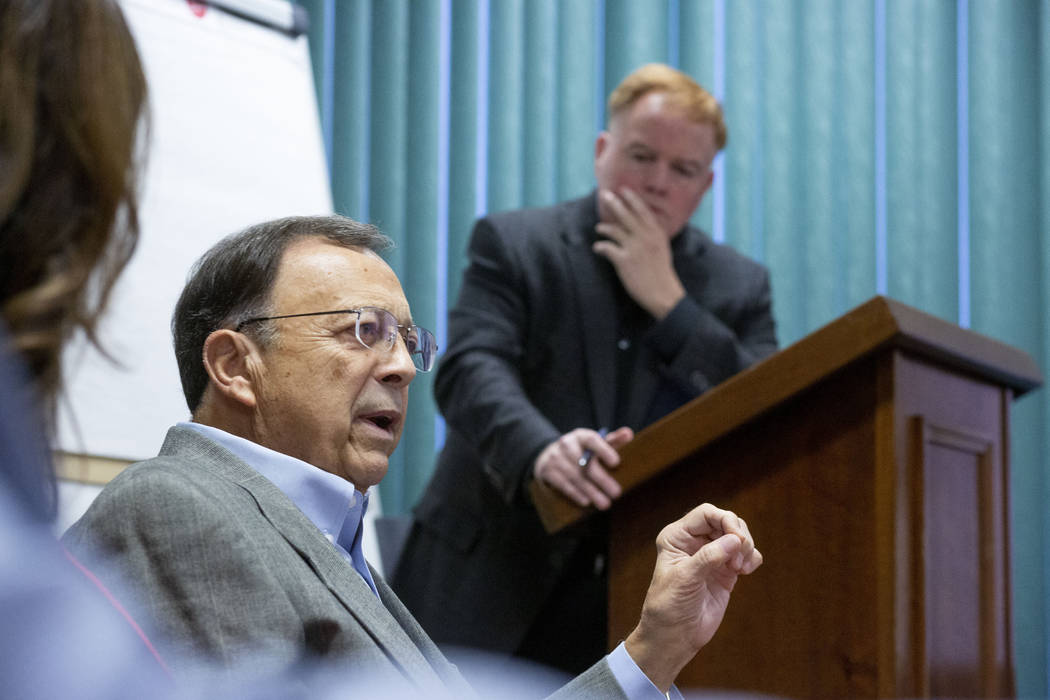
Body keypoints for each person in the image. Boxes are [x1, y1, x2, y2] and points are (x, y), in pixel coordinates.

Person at [63, 214, 762, 698]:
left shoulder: (332, 542)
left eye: (406, 340)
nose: (402, 366)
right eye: (363, 331)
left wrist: (653, 649)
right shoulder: (178, 508)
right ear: (235, 366)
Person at [392, 63, 779, 674]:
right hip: (485, 573)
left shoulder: (740, 286)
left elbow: (766, 407)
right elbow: (470, 366)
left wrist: (671, 306)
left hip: (632, 596)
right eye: (641, 156)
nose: (657, 183)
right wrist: (540, 451)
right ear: (603, 152)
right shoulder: (517, 243)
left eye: (681, 171)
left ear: (705, 186)